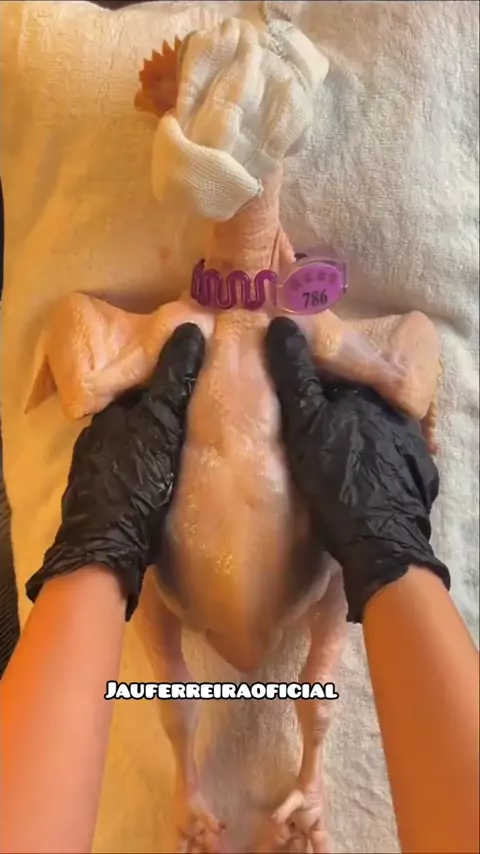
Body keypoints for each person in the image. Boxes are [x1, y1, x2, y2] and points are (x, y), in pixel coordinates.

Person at [0, 319, 478, 854]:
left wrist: (98, 536)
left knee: (158, 630)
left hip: (166, 571)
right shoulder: (308, 330)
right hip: (314, 566)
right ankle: (386, 549)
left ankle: (99, 551)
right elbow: (410, 356)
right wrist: (388, 534)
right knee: (346, 591)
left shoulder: (177, 325)